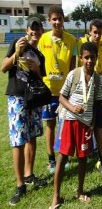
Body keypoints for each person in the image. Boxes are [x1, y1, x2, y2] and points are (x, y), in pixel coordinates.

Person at [50, 43, 102, 208]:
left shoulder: (98, 80)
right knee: (63, 157)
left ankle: (80, 191)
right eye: (86, 57)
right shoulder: (74, 74)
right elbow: (61, 97)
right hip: (70, 121)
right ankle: (56, 196)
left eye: (92, 57)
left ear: (96, 58)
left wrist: (93, 125)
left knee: (83, 158)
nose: (89, 61)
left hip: (86, 124)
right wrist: (73, 108)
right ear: (81, 58)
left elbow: (96, 105)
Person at [2, 18, 48, 205]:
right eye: (33, 28)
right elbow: (3, 67)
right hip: (17, 98)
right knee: (18, 140)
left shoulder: (40, 54)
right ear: (27, 29)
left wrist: (37, 68)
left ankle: (29, 175)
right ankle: (20, 184)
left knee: (32, 137)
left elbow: (42, 75)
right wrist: (16, 54)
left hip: (34, 99)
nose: (35, 31)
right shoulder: (17, 43)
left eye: (38, 28)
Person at [38, 5, 77, 173]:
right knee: (50, 125)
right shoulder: (43, 39)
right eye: (53, 19)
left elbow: (73, 65)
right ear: (49, 21)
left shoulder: (71, 40)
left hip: (64, 92)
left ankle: (63, 156)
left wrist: (70, 89)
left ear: (63, 20)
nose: (57, 22)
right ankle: (51, 159)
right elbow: (38, 63)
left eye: (59, 19)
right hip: (47, 91)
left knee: (64, 125)